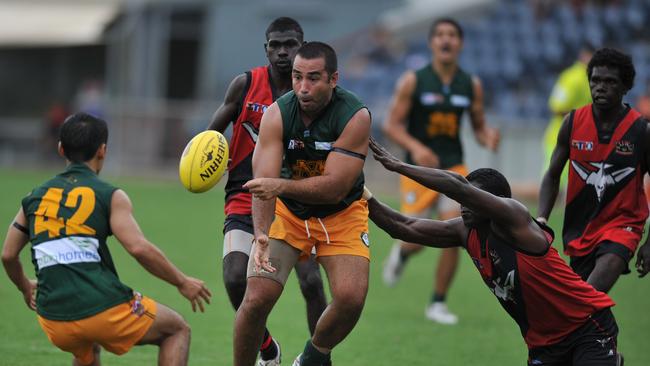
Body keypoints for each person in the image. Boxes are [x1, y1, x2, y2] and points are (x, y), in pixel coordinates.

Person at [366, 138, 621, 366]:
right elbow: (403, 226)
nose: (462, 206)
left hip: (586, 327)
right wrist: (361, 193)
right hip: (543, 343)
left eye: (472, 200)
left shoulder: (516, 220)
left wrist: (399, 166)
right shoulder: (465, 231)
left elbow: (458, 186)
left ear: (493, 203)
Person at [1, 113, 212, 366]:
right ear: (102, 151)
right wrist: (182, 282)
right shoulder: (110, 195)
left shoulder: (34, 197)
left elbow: (8, 255)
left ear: (60, 149)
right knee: (176, 330)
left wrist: (26, 287)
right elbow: (138, 248)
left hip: (52, 318)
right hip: (101, 308)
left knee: (87, 347)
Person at [235, 41, 371, 366]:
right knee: (255, 299)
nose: (302, 88)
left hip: (342, 215)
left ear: (333, 79)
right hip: (289, 215)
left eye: (313, 78)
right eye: (297, 77)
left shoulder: (355, 116)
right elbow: (263, 184)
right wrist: (261, 235)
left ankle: (311, 357)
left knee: (351, 298)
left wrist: (280, 185)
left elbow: (335, 188)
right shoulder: (277, 113)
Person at [207, 17, 327, 366]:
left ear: (302, 47)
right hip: (245, 197)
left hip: (296, 201)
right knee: (233, 278)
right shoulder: (245, 85)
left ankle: (317, 359)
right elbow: (208, 137)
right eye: (275, 45)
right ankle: (267, 349)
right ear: (266, 49)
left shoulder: (313, 93)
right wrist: (201, 162)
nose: (282, 51)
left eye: (289, 44)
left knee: (311, 285)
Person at [381, 17, 499, 324]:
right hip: (418, 170)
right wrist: (417, 148)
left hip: (455, 168)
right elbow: (391, 124)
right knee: (415, 238)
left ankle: (438, 302)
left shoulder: (470, 84)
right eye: (440, 35)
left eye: (452, 35)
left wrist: (489, 137)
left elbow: (479, 127)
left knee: (459, 230)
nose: (446, 40)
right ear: (432, 42)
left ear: (460, 43)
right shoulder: (414, 80)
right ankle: (403, 253)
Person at [538, 47, 650, 293]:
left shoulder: (641, 130)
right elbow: (553, 174)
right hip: (581, 230)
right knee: (582, 303)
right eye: (595, 80)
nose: (600, 87)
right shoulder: (573, 122)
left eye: (610, 82)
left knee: (587, 296)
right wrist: (542, 219)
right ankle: (605, 333)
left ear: (625, 87)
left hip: (623, 226)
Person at [542, 44, 594, 192]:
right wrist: (580, 119)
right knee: (555, 177)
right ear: (584, 55)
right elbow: (556, 106)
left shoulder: (590, 78)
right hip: (560, 136)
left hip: (580, 137)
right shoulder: (572, 77)